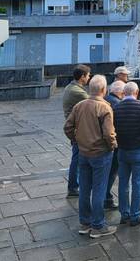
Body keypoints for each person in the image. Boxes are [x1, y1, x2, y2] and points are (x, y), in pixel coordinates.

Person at [63, 75, 117, 238]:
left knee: (85, 188)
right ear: (103, 90)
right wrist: (113, 145)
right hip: (100, 153)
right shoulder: (104, 108)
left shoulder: (79, 106)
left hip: (84, 152)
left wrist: (77, 140)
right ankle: (98, 225)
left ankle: (85, 222)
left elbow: (68, 127)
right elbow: (109, 134)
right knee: (99, 188)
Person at [113, 82, 140, 227]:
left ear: (124, 93)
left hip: (123, 151)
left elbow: (114, 129)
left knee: (123, 183)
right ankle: (135, 215)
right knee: (138, 183)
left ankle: (124, 214)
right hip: (139, 150)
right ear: (136, 93)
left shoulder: (116, 107)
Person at [62, 64, 91, 198]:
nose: (89, 77)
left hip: (75, 127)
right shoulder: (77, 91)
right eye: (88, 75)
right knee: (77, 158)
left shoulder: (72, 87)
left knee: (77, 157)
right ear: (82, 77)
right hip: (77, 129)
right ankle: (73, 187)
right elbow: (93, 101)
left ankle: (74, 185)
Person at [103, 82, 124, 210]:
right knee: (111, 172)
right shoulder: (117, 104)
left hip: (100, 143)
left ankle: (105, 197)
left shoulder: (105, 99)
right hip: (113, 144)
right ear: (120, 92)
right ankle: (106, 198)